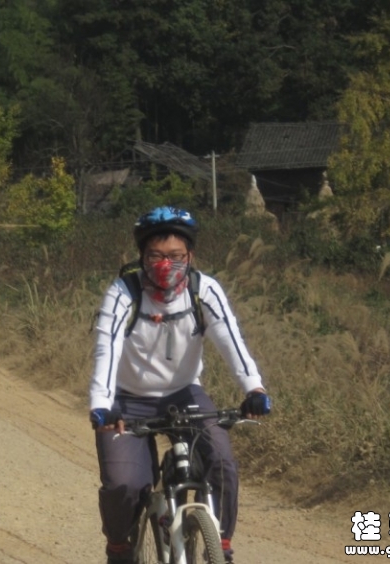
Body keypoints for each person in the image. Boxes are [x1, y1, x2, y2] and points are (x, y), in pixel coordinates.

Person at [89, 206, 271, 564]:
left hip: (186, 394)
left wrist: (254, 388)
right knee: (125, 484)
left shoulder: (205, 290)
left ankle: (221, 542)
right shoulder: (123, 292)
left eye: (175, 256)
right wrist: (102, 403)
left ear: (190, 256)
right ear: (141, 257)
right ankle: (119, 546)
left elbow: (230, 339)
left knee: (222, 463)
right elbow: (106, 347)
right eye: (155, 256)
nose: (165, 265)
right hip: (127, 400)